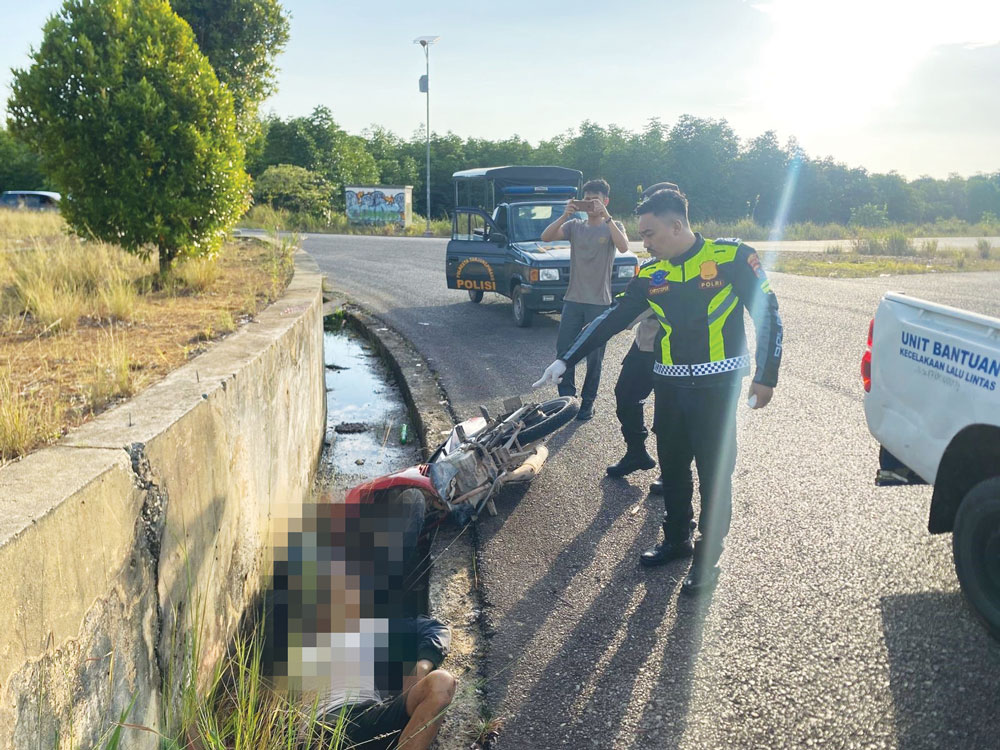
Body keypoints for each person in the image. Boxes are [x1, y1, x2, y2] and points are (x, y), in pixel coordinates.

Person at [534, 188, 783, 594]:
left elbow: (768, 312)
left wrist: (766, 375)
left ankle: (707, 556)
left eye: (649, 234)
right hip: (669, 384)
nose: (644, 243)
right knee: (673, 465)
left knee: (714, 472)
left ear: (676, 225)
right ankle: (677, 537)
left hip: (717, 386)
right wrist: (566, 359)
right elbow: (614, 317)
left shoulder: (731, 256)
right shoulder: (652, 273)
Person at [607, 181, 680, 486]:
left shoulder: (682, 249)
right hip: (645, 343)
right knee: (625, 395)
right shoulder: (651, 260)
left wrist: (614, 321)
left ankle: (671, 471)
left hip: (673, 350)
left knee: (668, 415)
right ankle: (636, 452)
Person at [540, 178, 630, 421]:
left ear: (606, 201)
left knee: (594, 357)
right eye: (587, 200)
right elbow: (546, 237)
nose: (591, 204)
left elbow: (623, 247)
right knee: (563, 352)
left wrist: (607, 217)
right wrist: (564, 214)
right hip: (573, 300)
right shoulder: (574, 226)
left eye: (595, 200)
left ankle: (588, 403)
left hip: (600, 302)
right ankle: (566, 401)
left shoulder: (614, 225)